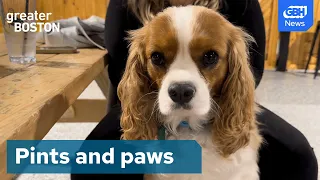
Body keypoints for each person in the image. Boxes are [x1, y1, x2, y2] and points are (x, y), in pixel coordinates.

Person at [71, 0, 318, 179]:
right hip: (149, 100)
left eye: (209, 56)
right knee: (87, 160)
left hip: (223, 100)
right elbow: (119, 69)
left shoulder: (240, 8)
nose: (181, 84)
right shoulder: (125, 6)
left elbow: (251, 71)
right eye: (159, 57)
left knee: (298, 155)